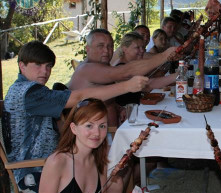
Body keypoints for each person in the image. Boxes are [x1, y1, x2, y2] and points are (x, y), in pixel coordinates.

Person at [3, 41, 148, 192]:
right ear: (22, 66)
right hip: (32, 172)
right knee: (113, 171)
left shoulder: (29, 90)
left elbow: (62, 128)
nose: (45, 71)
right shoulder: (29, 93)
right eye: (38, 65)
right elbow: (78, 96)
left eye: (48, 66)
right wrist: (126, 86)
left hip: (53, 160)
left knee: (118, 167)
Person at [69, 29, 176, 127]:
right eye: (100, 46)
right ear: (88, 49)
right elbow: (127, 72)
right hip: (94, 135)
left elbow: (104, 98)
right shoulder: (87, 69)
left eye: (110, 46)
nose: (106, 50)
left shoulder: (103, 67)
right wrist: (165, 56)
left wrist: (118, 108)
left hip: (111, 130)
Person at [39, 98, 123, 193]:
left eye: (102, 126)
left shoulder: (100, 161)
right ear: (74, 128)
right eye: (89, 126)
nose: (97, 133)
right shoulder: (57, 162)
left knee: (117, 182)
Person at [112, 32, 177, 105]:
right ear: (124, 49)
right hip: (128, 112)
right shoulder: (121, 67)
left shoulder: (132, 64)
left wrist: (177, 75)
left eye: (143, 47)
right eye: (137, 47)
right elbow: (149, 85)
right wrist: (176, 75)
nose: (142, 50)